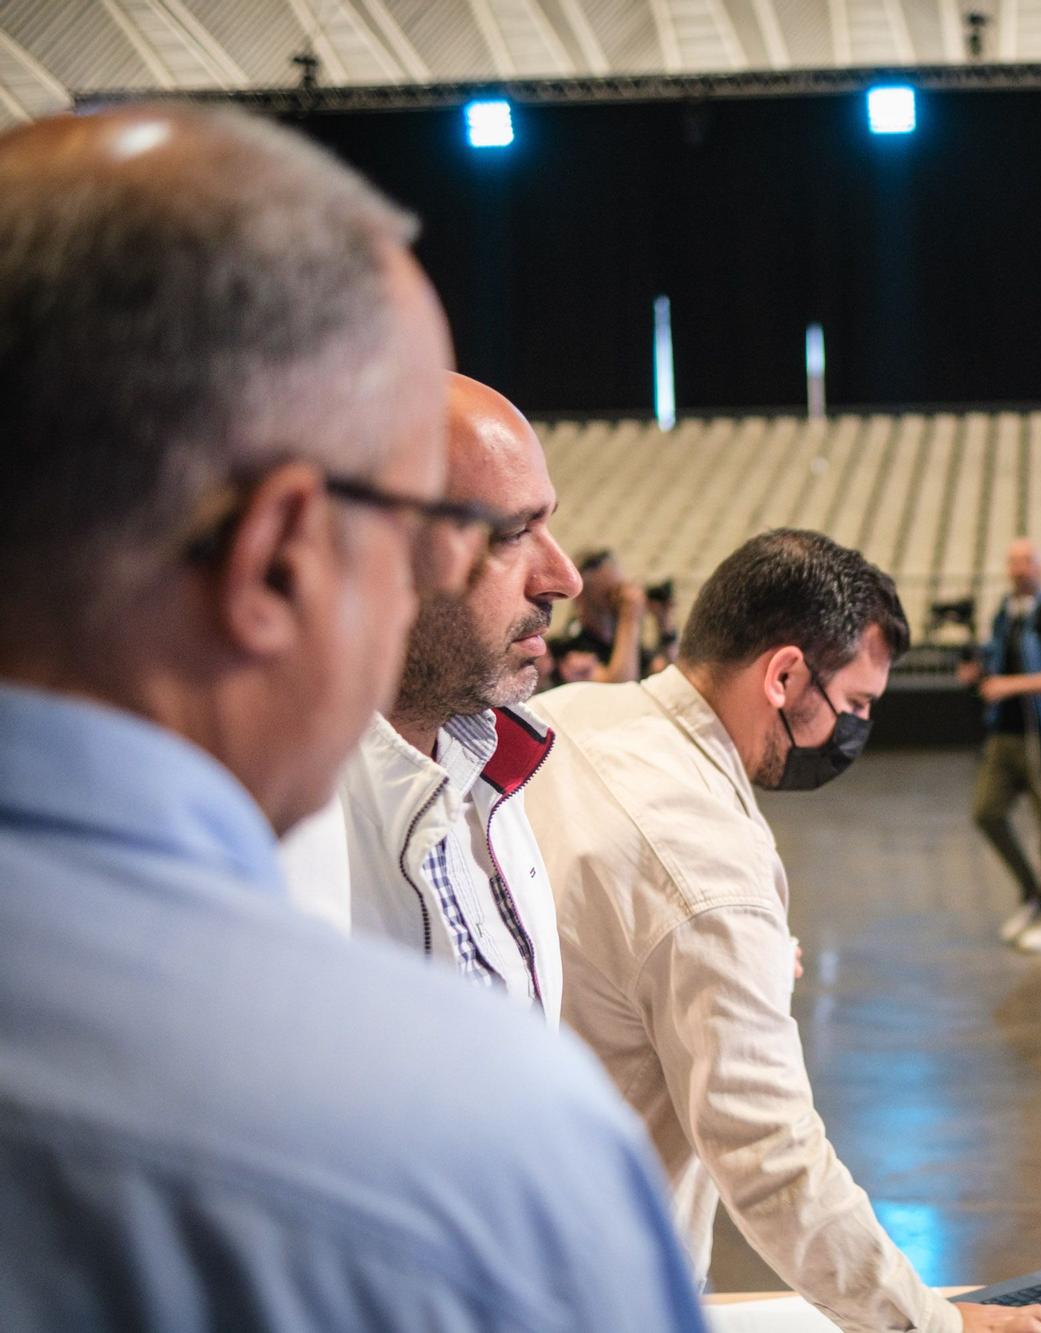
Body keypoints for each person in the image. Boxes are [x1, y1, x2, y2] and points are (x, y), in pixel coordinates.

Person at [0, 105, 702, 1328]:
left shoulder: (492, 777)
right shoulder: (472, 1156)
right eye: (426, 528)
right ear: (276, 558)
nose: (558, 577)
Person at [529, 529, 1041, 1333]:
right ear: (782, 675)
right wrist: (937, 1323)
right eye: (853, 705)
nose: (854, 731)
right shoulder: (709, 871)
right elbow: (772, 1158)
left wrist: (734, 969)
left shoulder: (563, 716)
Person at [282, 373, 583, 1023]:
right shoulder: (285, 826)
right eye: (510, 534)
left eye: (547, 525)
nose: (565, 578)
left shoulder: (488, 752)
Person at [958, 537, 1041, 953]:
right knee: (987, 812)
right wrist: (977, 671)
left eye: (1028, 561)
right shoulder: (1005, 614)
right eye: (1013, 561)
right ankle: (1035, 894)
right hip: (1005, 735)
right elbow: (997, 659)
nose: (1020, 569)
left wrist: (1009, 685)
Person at [567, 546, 648, 682]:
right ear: (580, 597)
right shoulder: (567, 647)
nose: (620, 598)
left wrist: (665, 626)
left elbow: (665, 674)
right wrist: (630, 617)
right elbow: (618, 687)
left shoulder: (621, 641)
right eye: (609, 594)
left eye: (620, 588)